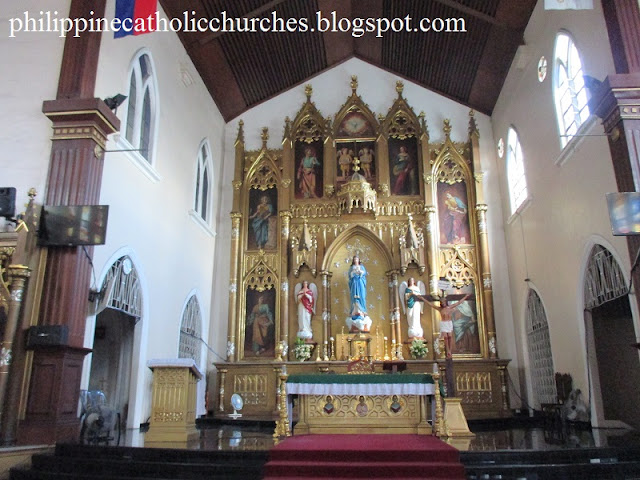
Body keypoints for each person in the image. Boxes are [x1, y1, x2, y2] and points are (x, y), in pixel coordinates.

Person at [424, 293, 470, 358]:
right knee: (445, 337)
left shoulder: (450, 307)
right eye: (442, 302)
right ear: (441, 303)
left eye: (444, 302)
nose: (443, 303)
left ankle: (450, 351)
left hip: (449, 323)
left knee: (450, 337)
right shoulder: (440, 309)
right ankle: (448, 350)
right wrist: (422, 299)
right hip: (444, 323)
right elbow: (430, 304)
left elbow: (458, 303)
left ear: (446, 302)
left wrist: (465, 297)